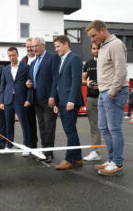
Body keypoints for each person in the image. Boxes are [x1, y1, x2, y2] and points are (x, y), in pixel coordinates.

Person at [86, 20, 129, 175]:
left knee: (114, 128)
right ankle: (111, 159)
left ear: (103, 30)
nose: (92, 40)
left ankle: (117, 163)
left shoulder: (116, 44)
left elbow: (121, 71)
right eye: (90, 37)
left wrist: (112, 92)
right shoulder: (104, 46)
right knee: (103, 127)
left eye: (93, 35)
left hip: (114, 92)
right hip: (103, 92)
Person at [52, 35, 84, 170]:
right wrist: (57, 103)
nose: (56, 49)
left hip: (71, 101)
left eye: (58, 46)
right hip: (62, 101)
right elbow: (60, 83)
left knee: (69, 130)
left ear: (66, 44)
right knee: (70, 130)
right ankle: (77, 157)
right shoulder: (61, 60)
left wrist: (71, 100)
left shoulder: (74, 58)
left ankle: (69, 159)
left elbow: (76, 81)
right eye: (55, 47)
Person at [25, 37, 60, 163]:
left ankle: (49, 154)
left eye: (36, 46)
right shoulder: (33, 62)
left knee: (49, 127)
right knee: (42, 126)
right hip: (36, 99)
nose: (34, 48)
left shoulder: (52, 57)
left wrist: (53, 95)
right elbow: (31, 79)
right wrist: (29, 83)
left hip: (48, 99)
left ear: (43, 45)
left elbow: (56, 77)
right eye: (33, 46)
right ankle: (45, 151)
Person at [0, 47, 32, 154]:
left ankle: (26, 146)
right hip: (8, 100)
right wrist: (2, 101)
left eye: (13, 55)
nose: (11, 57)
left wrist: (28, 99)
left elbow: (30, 84)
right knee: (9, 124)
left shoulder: (26, 67)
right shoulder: (5, 69)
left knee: (24, 123)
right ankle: (9, 145)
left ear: (17, 55)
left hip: (21, 100)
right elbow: (2, 86)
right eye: (9, 56)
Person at [82, 42, 102, 161]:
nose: (96, 50)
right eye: (94, 48)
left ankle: (114, 155)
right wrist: (87, 83)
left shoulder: (107, 61)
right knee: (94, 126)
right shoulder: (88, 63)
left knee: (108, 127)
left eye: (98, 48)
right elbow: (82, 79)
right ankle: (96, 152)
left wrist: (102, 85)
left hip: (104, 97)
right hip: (91, 98)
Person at [21, 38, 38, 149]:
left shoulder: (40, 58)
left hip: (39, 94)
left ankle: (46, 148)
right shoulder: (23, 60)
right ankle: (31, 145)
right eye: (27, 47)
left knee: (43, 124)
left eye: (31, 46)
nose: (29, 49)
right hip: (27, 96)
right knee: (29, 122)